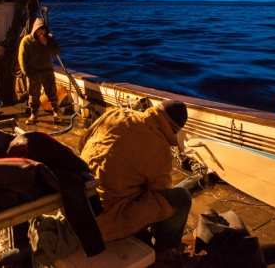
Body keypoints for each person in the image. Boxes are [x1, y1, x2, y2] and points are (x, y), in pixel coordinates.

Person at [78, 100, 192, 266]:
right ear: (174, 129)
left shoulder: (115, 113)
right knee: (181, 198)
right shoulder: (161, 149)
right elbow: (159, 190)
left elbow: (82, 143)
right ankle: (163, 250)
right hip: (104, 225)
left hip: (79, 206)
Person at [18, 17, 60, 125]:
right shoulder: (26, 41)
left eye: (43, 30)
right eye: (39, 30)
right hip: (33, 73)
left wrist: (46, 43)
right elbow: (22, 57)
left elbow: (55, 52)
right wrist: (26, 72)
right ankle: (34, 114)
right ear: (35, 30)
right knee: (34, 94)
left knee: (52, 92)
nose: (42, 32)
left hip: (47, 71)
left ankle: (56, 112)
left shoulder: (49, 39)